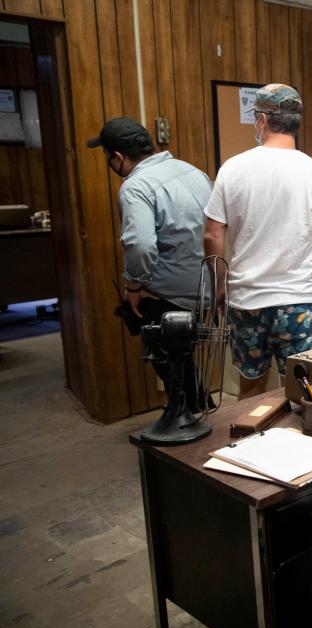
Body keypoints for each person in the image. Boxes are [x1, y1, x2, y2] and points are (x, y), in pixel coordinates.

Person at [203, 83, 312, 400]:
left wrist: (219, 288)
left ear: (262, 121)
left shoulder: (232, 169)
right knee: (308, 396)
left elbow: (213, 234)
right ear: (297, 122)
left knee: (250, 393)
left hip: (246, 305)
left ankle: (251, 445)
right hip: (300, 308)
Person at [87, 117, 212, 413]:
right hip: (205, 286)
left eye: (107, 156)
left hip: (165, 295)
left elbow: (140, 245)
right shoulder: (194, 172)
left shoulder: (136, 187)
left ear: (118, 156)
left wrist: (134, 286)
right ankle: (197, 418)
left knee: (172, 371)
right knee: (184, 367)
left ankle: (187, 429)